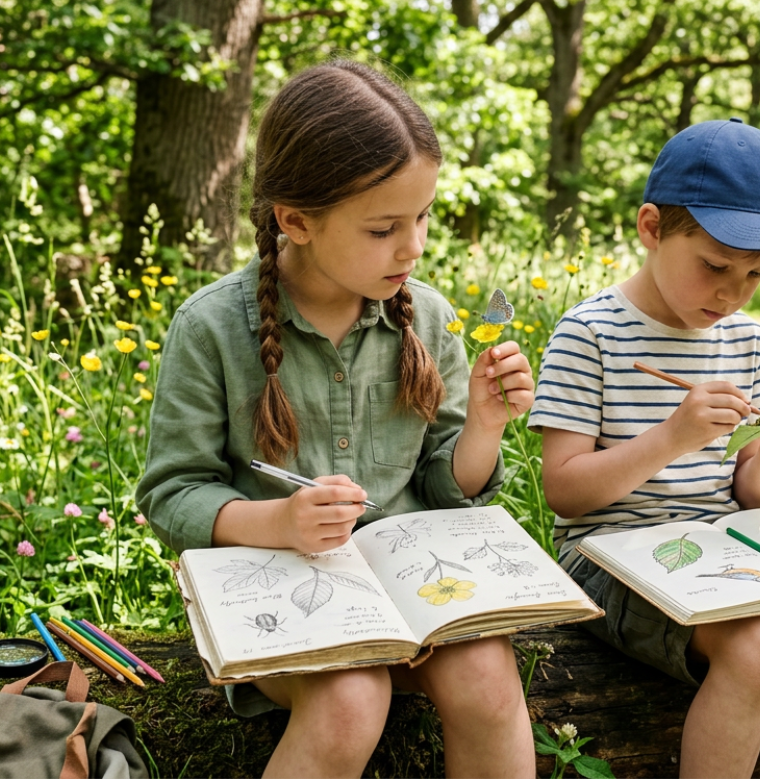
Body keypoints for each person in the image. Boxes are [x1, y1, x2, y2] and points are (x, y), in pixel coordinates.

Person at [135, 60, 536, 779]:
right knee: (351, 697)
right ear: (295, 220)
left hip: (412, 588)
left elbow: (450, 487)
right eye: (384, 228)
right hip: (275, 589)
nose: (412, 246)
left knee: (487, 681)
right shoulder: (211, 327)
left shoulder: (431, 318)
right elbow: (172, 494)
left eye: (422, 218)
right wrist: (281, 523)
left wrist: (483, 426)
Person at [529, 118, 760, 779]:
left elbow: (744, 493)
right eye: (714, 266)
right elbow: (564, 490)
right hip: (608, 554)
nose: (732, 292)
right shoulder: (589, 332)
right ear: (650, 228)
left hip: (726, 548)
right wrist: (671, 438)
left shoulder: (744, 341)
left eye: (756, 275)